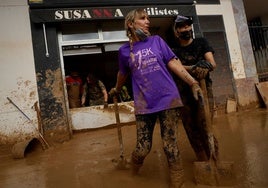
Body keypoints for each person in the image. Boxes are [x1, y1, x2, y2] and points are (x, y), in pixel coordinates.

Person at [109, 9, 203, 188]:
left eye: (148, 19)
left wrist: (193, 83)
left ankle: (178, 182)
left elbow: (174, 63)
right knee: (142, 148)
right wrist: (116, 89)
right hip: (144, 104)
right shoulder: (123, 51)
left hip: (168, 99)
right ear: (130, 24)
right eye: (142, 19)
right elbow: (123, 73)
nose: (147, 22)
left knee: (170, 145)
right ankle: (132, 176)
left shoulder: (157, 41)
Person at [171, 15, 218, 161]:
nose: (186, 29)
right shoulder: (174, 50)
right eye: (182, 26)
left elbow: (212, 63)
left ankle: (215, 157)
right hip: (183, 93)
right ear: (177, 31)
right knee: (191, 128)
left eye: (187, 26)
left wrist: (206, 66)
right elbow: (174, 67)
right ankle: (202, 160)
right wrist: (193, 68)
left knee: (205, 123)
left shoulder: (201, 42)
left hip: (204, 89)